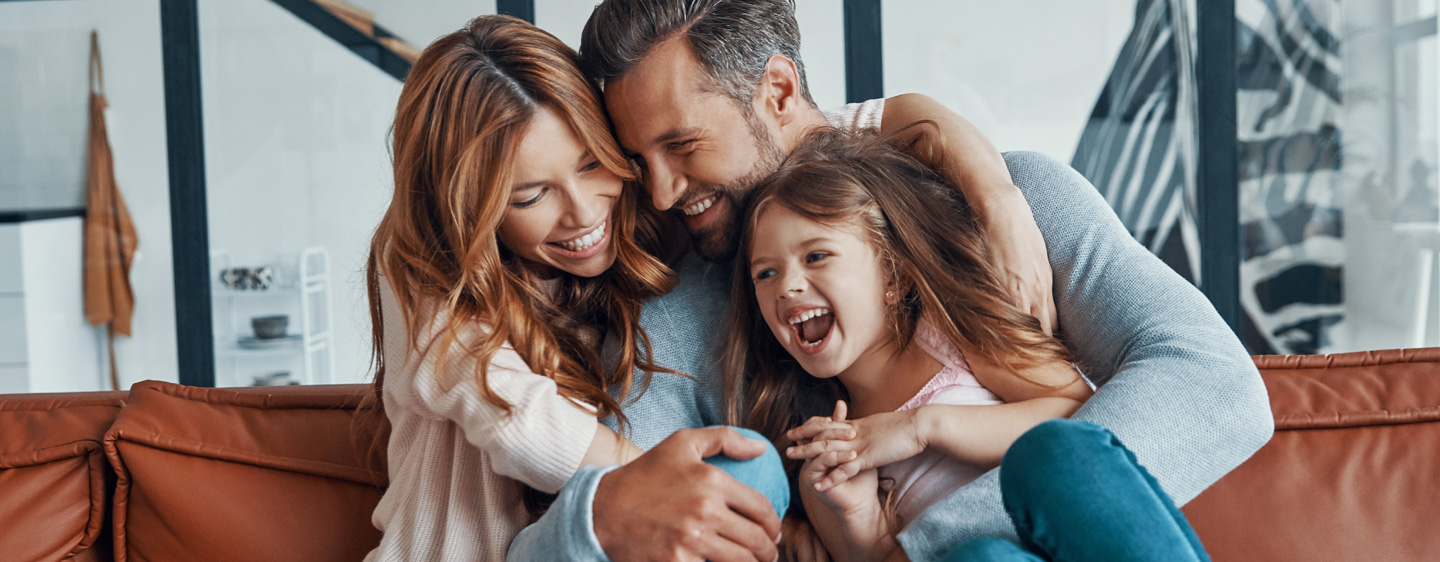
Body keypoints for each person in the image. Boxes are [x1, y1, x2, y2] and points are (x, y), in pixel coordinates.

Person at [507, 1, 1273, 561]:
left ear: (776, 92)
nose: (665, 193)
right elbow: (615, 516)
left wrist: (910, 549)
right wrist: (596, 522)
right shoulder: (678, 315)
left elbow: (1214, 388)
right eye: (640, 163)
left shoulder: (1008, 205)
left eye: (683, 146)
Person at [359, 16, 786, 562]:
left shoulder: (640, 215)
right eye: (531, 196)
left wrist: (903, 113)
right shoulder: (422, 269)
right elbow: (514, 417)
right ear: (467, 211)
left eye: (591, 164)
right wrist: (664, 490)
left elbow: (762, 140)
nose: (584, 214)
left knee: (756, 470)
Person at [728, 129, 1207, 562]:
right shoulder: (828, 452)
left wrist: (923, 426)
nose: (786, 287)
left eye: (817, 256)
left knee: (1057, 452)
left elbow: (1079, 416)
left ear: (893, 275)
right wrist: (857, 518)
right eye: (765, 273)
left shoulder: (950, 337)